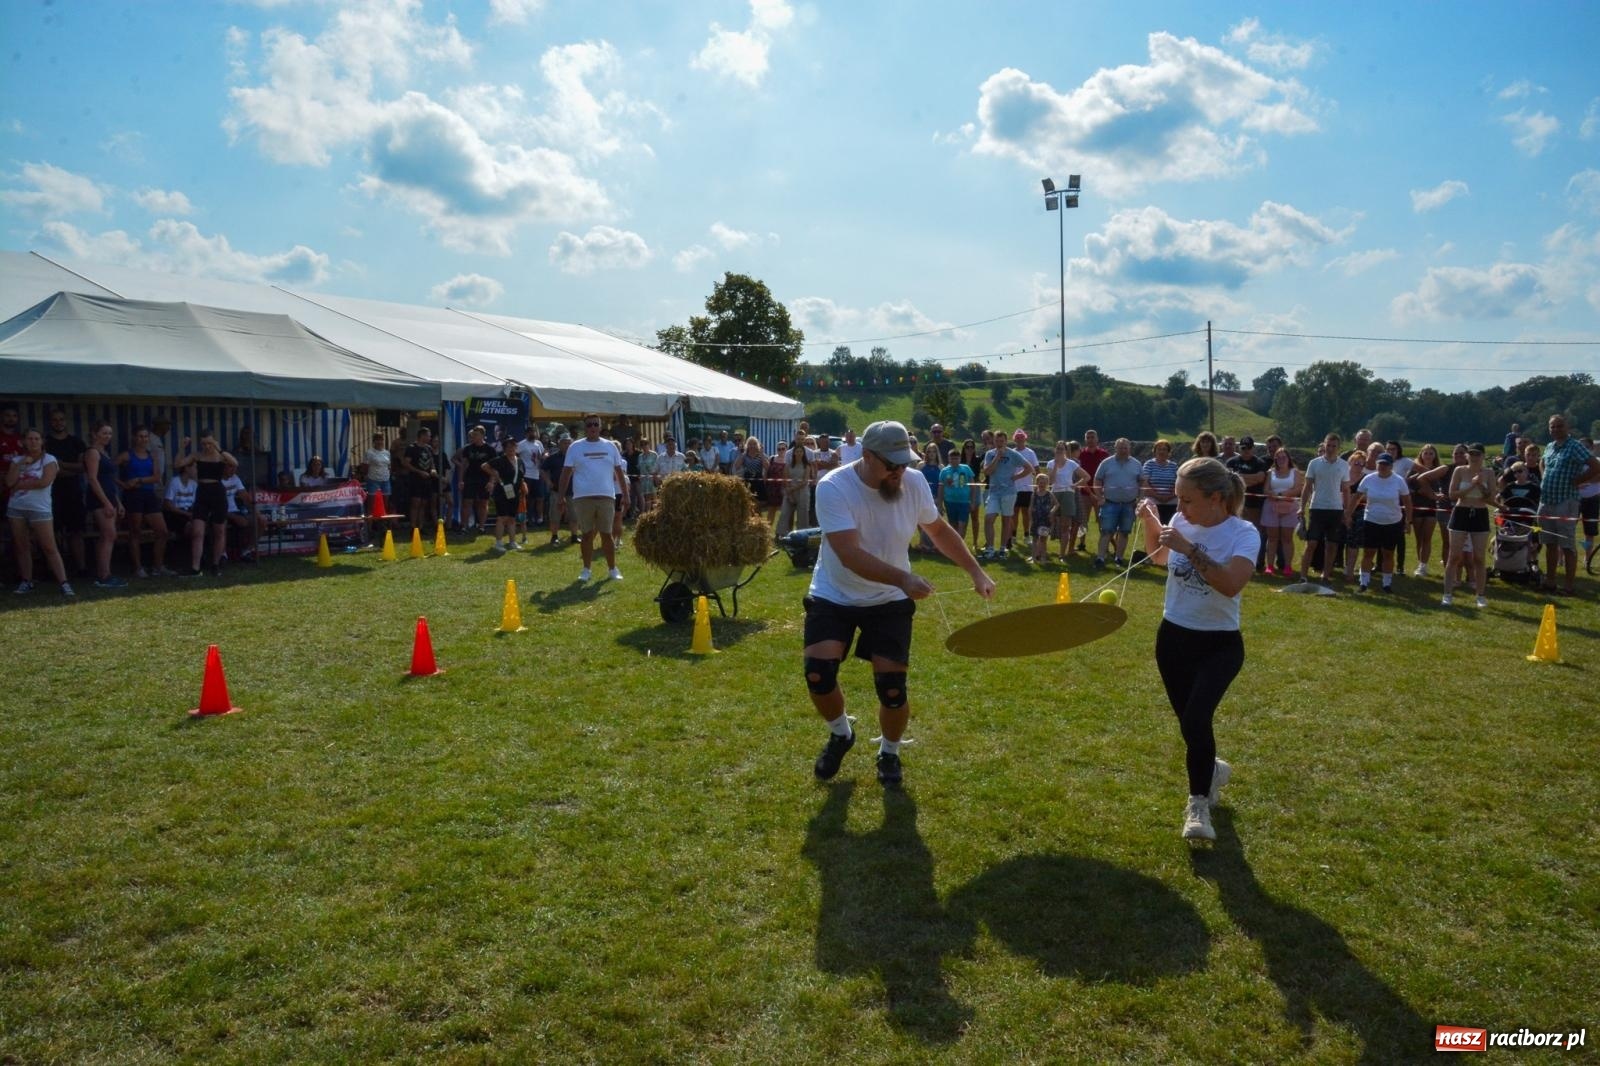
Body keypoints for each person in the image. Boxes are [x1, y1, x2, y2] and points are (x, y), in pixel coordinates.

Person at [804, 421, 995, 788]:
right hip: (835, 592)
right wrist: (904, 579)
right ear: (866, 455)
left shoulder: (915, 482)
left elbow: (937, 530)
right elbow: (849, 554)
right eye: (891, 464)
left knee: (892, 689)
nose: (899, 471)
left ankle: (889, 753)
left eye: (904, 463)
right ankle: (841, 734)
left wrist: (976, 572)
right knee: (818, 673)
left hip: (890, 599)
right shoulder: (834, 487)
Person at [1148, 457, 1258, 841]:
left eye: (1187, 500)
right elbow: (1161, 558)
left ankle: (1198, 806)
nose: (1179, 509)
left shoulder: (1243, 533)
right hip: (1173, 638)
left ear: (1215, 498)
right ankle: (1211, 770)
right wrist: (1153, 526)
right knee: (1190, 727)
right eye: (1177, 499)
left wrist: (1189, 547)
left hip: (1219, 644)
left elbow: (1230, 584)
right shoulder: (1179, 523)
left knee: (1196, 719)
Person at [558, 415, 629, 582]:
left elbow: (619, 472)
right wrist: (560, 497)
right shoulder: (575, 447)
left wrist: (625, 495)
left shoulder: (610, 446)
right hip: (583, 497)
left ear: (600, 426)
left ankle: (612, 569)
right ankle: (586, 569)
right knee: (587, 534)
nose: (592, 427)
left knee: (607, 534)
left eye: (595, 424)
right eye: (589, 424)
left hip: (606, 497)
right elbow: (566, 473)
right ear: (585, 427)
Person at [7, 428, 75, 596]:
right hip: (17, 507)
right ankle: (26, 581)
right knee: (22, 546)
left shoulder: (49, 459)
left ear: (42, 441)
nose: (33, 442)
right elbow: (9, 482)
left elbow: (44, 482)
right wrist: (20, 463)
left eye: (37, 438)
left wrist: (20, 485)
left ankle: (64, 583)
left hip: (40, 508)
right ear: (23, 441)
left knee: (49, 546)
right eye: (29, 439)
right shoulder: (17, 460)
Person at [1537, 414, 1599, 595]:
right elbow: (1543, 462)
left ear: (1567, 427)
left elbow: (1595, 467)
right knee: (1549, 543)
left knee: (1567, 545)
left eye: (1559, 426)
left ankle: (1569, 586)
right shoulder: (1549, 447)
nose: (1556, 429)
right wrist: (1544, 476)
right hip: (1546, 500)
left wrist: (1577, 481)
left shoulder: (1575, 446)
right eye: (1552, 426)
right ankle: (1550, 581)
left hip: (1566, 501)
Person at [172, 430, 237, 576]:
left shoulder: (221, 456)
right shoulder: (197, 455)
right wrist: (182, 447)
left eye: (209, 443)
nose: (207, 446)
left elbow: (234, 462)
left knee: (219, 531)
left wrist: (218, 448)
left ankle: (215, 564)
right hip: (202, 492)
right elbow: (177, 464)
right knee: (197, 532)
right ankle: (195, 567)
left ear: (214, 442)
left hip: (217, 492)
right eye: (204, 444)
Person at [1439, 443, 1496, 607]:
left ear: (1483, 456)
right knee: (1454, 556)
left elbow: (1490, 497)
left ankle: (1480, 595)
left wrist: (1480, 485)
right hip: (1461, 513)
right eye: (1471, 454)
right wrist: (1471, 485)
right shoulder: (1459, 471)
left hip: (1479, 514)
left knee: (1479, 557)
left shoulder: (1489, 473)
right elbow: (1452, 494)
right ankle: (1447, 594)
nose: (1474, 457)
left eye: (1477, 454)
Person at [1347, 452, 1411, 593]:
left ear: (1391, 466)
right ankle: (1364, 582)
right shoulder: (1368, 479)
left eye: (1386, 464)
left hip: (1392, 522)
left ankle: (1386, 584)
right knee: (1369, 553)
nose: (1382, 467)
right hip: (1372, 520)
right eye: (1380, 464)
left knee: (1388, 553)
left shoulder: (1398, 480)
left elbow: (1407, 501)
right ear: (1376, 464)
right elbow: (1356, 497)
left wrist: (1408, 521)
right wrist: (1348, 514)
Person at [117, 425, 173, 578]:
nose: (143, 439)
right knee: (135, 532)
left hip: (149, 494)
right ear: (135, 438)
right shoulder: (126, 455)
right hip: (133, 496)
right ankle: (138, 568)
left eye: (146, 436)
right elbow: (108, 471)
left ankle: (158, 566)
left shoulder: (152, 455)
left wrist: (139, 480)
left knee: (162, 531)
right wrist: (123, 484)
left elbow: (156, 477)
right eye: (140, 436)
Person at [1297, 433, 1348, 588]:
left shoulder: (1344, 465)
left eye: (1334, 446)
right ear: (1324, 445)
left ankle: (1325, 575)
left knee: (1332, 544)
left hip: (1335, 509)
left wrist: (1347, 510)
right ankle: (1303, 575)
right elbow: (1307, 487)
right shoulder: (1314, 463)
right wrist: (1301, 507)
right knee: (1311, 543)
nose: (1331, 448)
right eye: (1328, 445)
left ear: (1338, 448)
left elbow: (1346, 489)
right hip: (1317, 507)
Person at [45, 408, 89, 577]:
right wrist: (67, 467)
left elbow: (82, 467)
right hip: (51, 493)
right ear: (51, 422)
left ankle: (81, 568)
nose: (58, 422)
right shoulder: (46, 442)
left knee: (76, 531)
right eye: (55, 419)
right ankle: (53, 570)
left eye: (61, 419)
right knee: (52, 532)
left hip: (74, 492)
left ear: (66, 421)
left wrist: (60, 464)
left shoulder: (76, 442)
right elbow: (48, 470)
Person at [83, 422, 127, 588]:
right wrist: (106, 503)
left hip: (109, 496)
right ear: (95, 434)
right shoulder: (93, 452)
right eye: (104, 433)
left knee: (107, 536)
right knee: (109, 534)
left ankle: (104, 572)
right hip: (99, 499)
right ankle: (103, 575)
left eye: (109, 433)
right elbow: (93, 479)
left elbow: (108, 481)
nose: (107, 436)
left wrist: (118, 502)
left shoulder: (105, 453)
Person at [1092, 437, 1141, 568]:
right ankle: (1100, 558)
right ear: (1115, 448)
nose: (1123, 450)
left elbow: (1142, 482)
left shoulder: (1137, 464)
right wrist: (1100, 497)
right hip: (1109, 503)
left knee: (1124, 532)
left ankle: (1119, 558)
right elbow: (1097, 480)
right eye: (1120, 448)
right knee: (1106, 532)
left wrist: (1139, 500)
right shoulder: (1106, 463)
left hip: (1129, 504)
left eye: (1126, 448)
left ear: (1129, 449)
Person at [979, 431, 1029, 559]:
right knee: (989, 518)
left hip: (1009, 492)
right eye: (997, 441)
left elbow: (1029, 468)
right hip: (994, 492)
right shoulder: (990, 454)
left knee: (1006, 520)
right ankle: (990, 549)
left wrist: (1016, 477)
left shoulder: (1013, 454)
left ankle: (1002, 549)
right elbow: (987, 472)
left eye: (1002, 441)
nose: (999, 444)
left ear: (1006, 441)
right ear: (994, 441)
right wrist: (997, 458)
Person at [1259, 445, 1303, 578]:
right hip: (1271, 507)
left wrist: (1283, 493)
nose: (1281, 460)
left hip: (1289, 508)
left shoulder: (1295, 472)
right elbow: (1265, 489)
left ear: (1288, 458)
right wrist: (1273, 494)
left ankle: (1288, 566)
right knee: (1272, 538)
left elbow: (1297, 489)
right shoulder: (1270, 472)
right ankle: (1270, 566)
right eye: (1278, 458)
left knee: (1287, 538)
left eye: (1283, 457)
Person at [1407, 444, 1447, 577]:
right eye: (1426, 453)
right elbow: (1408, 485)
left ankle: (1423, 565)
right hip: (1417, 506)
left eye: (1431, 453)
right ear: (1421, 454)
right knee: (1419, 538)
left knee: (1427, 538)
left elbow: (1441, 487)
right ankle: (1420, 563)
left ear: (1435, 455)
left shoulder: (1438, 470)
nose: (1428, 456)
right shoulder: (1414, 469)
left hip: (1432, 507)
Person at [163, 461, 208, 575]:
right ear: (186, 468)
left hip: (188, 513)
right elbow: (167, 505)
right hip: (174, 514)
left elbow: (195, 503)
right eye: (194, 468)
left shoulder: (193, 484)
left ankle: (199, 557)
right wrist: (186, 514)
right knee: (191, 529)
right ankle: (189, 558)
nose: (196, 470)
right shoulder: (175, 482)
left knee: (201, 525)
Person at [1046, 440, 1085, 562]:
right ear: (1055, 450)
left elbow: (1086, 476)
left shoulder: (1071, 463)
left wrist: (1075, 485)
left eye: (1061, 449)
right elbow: (1050, 482)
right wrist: (1056, 467)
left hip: (1068, 494)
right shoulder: (1051, 463)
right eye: (1057, 449)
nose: (1059, 451)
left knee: (1065, 525)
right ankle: (1042, 551)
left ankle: (1062, 554)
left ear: (1065, 451)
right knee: (1048, 522)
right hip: (1055, 493)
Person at [455, 426, 496, 534]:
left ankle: (481, 527)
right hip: (470, 478)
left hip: (484, 479)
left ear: (482, 435)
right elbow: (463, 465)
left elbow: (494, 467)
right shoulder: (468, 449)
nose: (474, 437)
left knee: (483, 503)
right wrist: (460, 480)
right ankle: (464, 527)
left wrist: (491, 482)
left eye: (476, 435)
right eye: (473, 435)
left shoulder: (490, 449)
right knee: (467, 502)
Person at [483, 442, 522, 552]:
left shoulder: (519, 461)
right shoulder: (500, 460)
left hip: (514, 492)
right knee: (502, 517)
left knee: (512, 518)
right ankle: (499, 543)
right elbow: (484, 466)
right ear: (504, 449)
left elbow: (521, 476)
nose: (511, 449)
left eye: (513, 446)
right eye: (508, 446)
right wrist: (495, 476)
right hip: (502, 491)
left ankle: (512, 542)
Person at [1076, 429, 1109, 551]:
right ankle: (1081, 543)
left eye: (1092, 437)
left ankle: (1104, 546)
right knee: (1083, 520)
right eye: (1088, 437)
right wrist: (1089, 492)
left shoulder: (1104, 455)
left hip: (1100, 494)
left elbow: (1107, 474)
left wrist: (1100, 493)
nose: (1090, 439)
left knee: (1102, 521)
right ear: (1085, 440)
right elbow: (1079, 476)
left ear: (1097, 439)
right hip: (1084, 493)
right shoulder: (1080, 455)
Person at [777, 432, 813, 536]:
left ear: (803, 453)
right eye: (797, 451)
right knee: (784, 513)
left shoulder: (807, 466)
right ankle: (781, 535)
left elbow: (805, 481)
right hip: (789, 491)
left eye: (801, 452)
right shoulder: (788, 465)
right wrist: (789, 493)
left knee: (803, 515)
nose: (799, 453)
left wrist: (792, 489)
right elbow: (785, 478)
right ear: (794, 453)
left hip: (802, 492)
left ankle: (802, 536)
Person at [939, 446, 975, 543]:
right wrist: (940, 503)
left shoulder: (966, 469)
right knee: (953, 524)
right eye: (952, 458)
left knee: (962, 524)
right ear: (948, 459)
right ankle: (954, 544)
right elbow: (941, 488)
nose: (954, 460)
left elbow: (972, 485)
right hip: (950, 502)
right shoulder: (944, 471)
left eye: (956, 458)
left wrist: (972, 501)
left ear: (960, 459)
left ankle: (960, 544)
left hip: (964, 501)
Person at [1140, 439, 1180, 525]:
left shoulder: (1174, 466)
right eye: (1159, 449)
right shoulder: (1149, 464)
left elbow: (1178, 483)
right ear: (1155, 451)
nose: (1162, 451)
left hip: (1171, 502)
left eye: (1164, 449)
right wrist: (1158, 497)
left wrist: (1169, 497)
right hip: (1153, 502)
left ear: (1168, 452)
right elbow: (1145, 484)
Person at [1028, 472, 1056, 563]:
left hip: (1045, 520)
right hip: (1036, 519)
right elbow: (1031, 507)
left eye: (1044, 483)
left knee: (1043, 540)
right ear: (1037, 483)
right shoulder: (1034, 494)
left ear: (1047, 484)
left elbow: (1057, 504)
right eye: (1040, 483)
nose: (1042, 485)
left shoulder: (1049, 494)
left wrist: (1052, 511)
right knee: (1034, 539)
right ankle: (1033, 557)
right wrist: (1030, 518)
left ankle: (1044, 558)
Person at [363, 433, 391, 507]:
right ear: (374, 441)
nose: (379, 442)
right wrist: (366, 475)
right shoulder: (369, 452)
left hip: (385, 480)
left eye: (381, 440)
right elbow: (365, 466)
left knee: (385, 504)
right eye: (377, 440)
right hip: (373, 479)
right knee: (372, 504)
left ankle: (383, 518)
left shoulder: (387, 453)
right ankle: (371, 518)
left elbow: (388, 465)